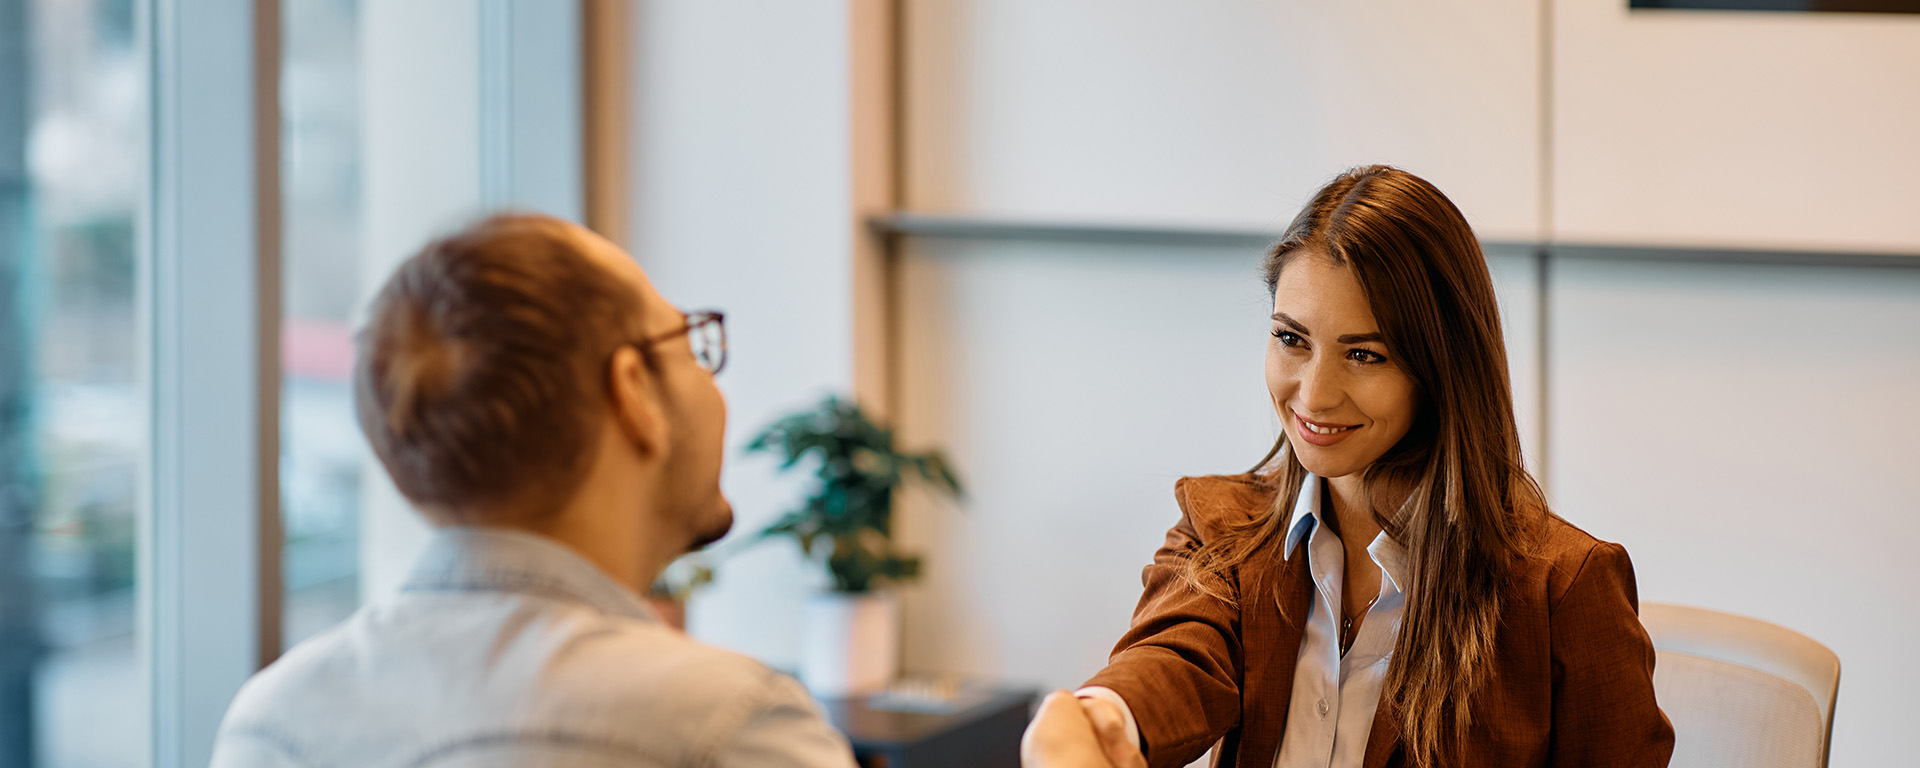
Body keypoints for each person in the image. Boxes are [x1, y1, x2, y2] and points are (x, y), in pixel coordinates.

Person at [1023, 166, 1675, 768]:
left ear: (1442, 368)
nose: (1313, 394)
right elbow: (1175, 657)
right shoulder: (1221, 525)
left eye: (1363, 355)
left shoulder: (1562, 589)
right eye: (1290, 338)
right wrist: (1105, 716)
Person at [209, 214, 858, 767]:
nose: (714, 381)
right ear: (634, 392)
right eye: (690, 340)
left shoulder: (273, 728)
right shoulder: (727, 729)